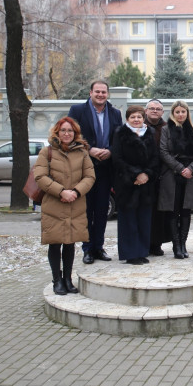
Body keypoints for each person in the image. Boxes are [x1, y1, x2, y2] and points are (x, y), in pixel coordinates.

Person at [34, 117, 95, 295]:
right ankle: (57, 280)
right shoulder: (47, 152)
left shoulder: (82, 152)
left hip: (75, 203)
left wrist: (75, 192)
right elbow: (40, 176)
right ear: (57, 132)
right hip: (54, 203)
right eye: (63, 130)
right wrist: (61, 192)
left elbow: (90, 176)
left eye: (70, 131)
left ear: (75, 133)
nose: (67, 134)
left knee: (70, 242)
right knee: (55, 243)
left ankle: (68, 279)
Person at [68, 80, 122, 264]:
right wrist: (89, 150)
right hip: (84, 168)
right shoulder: (77, 111)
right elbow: (72, 136)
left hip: (106, 168)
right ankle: (87, 249)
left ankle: (98, 247)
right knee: (87, 211)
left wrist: (111, 151)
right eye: (97, 91)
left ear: (108, 94)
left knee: (101, 211)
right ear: (90, 92)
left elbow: (119, 139)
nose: (100, 95)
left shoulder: (115, 113)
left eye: (104, 92)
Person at [111, 105, 159, 265]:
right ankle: (130, 253)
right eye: (133, 117)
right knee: (128, 220)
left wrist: (146, 174)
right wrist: (135, 174)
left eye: (139, 117)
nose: (136, 120)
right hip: (127, 183)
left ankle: (142, 251)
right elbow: (117, 158)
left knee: (144, 219)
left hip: (146, 184)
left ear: (143, 118)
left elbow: (154, 157)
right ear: (127, 119)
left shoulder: (149, 133)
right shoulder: (120, 134)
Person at [159, 100, 193, 259]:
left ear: (187, 113)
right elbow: (163, 152)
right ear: (173, 113)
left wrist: (190, 169)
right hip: (172, 175)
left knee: (186, 211)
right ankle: (176, 245)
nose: (180, 114)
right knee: (173, 211)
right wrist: (180, 168)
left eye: (183, 112)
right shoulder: (166, 130)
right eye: (177, 112)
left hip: (189, 175)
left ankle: (183, 244)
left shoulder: (192, 130)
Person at [144, 99, 169, 256]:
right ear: (146, 111)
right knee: (146, 211)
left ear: (162, 112)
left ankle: (157, 244)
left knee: (160, 213)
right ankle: (144, 243)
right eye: (152, 108)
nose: (155, 111)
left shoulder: (166, 128)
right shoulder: (139, 126)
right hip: (144, 177)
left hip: (162, 175)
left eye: (158, 109)